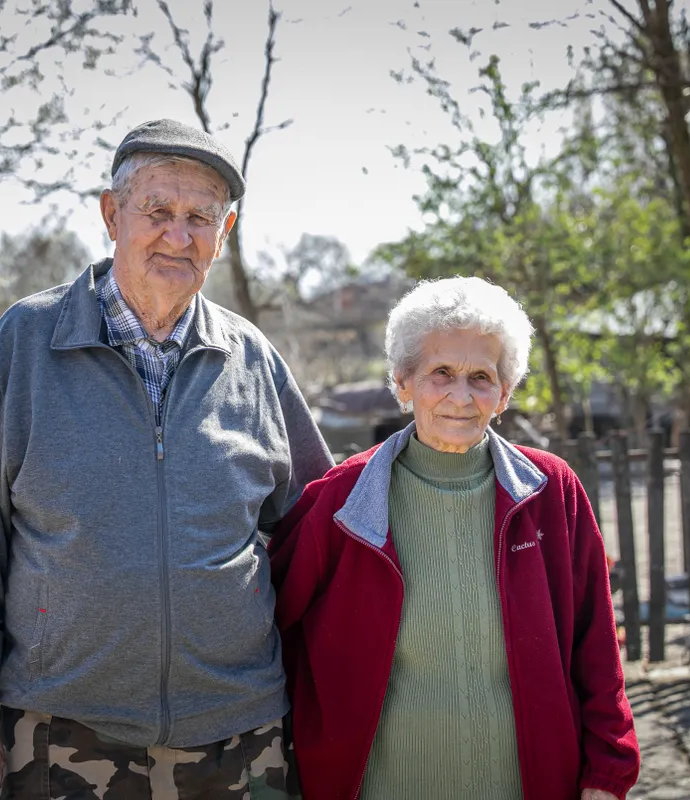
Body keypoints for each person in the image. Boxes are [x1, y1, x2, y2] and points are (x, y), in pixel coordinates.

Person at [0, 119, 334, 800]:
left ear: (224, 234)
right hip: (63, 739)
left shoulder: (253, 361)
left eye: (200, 218)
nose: (179, 235)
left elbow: (321, 532)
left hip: (240, 739)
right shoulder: (25, 344)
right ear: (111, 215)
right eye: (157, 211)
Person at [270, 277, 640, 799]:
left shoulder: (551, 491)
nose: (460, 396)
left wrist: (607, 773)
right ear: (403, 382)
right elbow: (273, 635)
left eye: (481, 377)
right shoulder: (339, 502)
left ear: (504, 393)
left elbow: (596, 647)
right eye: (440, 372)